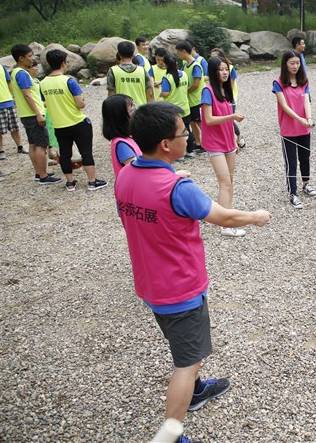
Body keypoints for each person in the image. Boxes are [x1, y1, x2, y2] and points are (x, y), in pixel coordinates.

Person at [114, 101, 270, 443]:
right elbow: (224, 217)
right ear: (165, 144)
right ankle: (172, 433)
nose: (189, 137)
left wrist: (172, 178)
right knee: (188, 362)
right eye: (183, 133)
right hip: (180, 290)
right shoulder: (177, 189)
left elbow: (146, 203)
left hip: (151, 285)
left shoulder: (126, 174)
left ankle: (197, 390)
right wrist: (256, 217)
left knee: (183, 346)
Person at [41, 49, 107, 191]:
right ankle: (92, 181)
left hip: (59, 125)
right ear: (63, 63)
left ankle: (70, 183)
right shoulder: (69, 81)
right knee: (86, 152)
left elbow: (45, 103)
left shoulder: (43, 83)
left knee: (65, 154)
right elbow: (80, 104)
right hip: (77, 122)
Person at [201, 57, 246, 237]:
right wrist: (232, 117)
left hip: (228, 142)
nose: (225, 72)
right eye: (220, 69)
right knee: (225, 183)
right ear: (213, 72)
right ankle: (225, 225)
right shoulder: (208, 91)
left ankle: (226, 217)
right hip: (215, 144)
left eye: (226, 69)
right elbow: (209, 119)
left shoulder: (225, 90)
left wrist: (234, 140)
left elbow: (226, 122)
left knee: (229, 182)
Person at [9, 45, 61, 184]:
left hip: (26, 114)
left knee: (33, 144)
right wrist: (38, 114)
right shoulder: (22, 74)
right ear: (21, 58)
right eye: (30, 56)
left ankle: (39, 172)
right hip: (33, 114)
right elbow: (27, 95)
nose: (32, 59)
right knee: (41, 145)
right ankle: (44, 176)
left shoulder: (15, 72)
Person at [273, 50, 316, 209]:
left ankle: (306, 183)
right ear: (285, 64)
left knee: (305, 157)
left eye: (297, 63)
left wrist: (309, 118)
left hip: (304, 128)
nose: (295, 66)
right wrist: (300, 119)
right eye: (292, 63)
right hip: (289, 130)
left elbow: (306, 101)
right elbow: (284, 106)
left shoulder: (304, 81)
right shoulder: (278, 83)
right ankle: (293, 193)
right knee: (291, 162)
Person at [0, 46, 28, 159]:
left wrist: (13, 96)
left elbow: (8, 82)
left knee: (15, 126)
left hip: (8, 101)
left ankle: (20, 146)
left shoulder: (1, 67)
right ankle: (1, 151)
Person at [159, 54, 192, 164]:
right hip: (185, 107)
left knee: (175, 133)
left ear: (165, 64)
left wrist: (160, 94)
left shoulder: (167, 78)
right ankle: (189, 151)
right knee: (187, 129)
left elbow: (165, 93)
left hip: (172, 110)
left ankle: (180, 154)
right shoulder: (184, 74)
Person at [175, 41, 205, 156]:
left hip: (196, 100)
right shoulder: (185, 64)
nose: (178, 55)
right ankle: (198, 142)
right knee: (192, 122)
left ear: (183, 51)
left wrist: (184, 91)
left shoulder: (195, 65)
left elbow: (196, 84)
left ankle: (207, 143)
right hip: (189, 101)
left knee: (200, 123)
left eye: (178, 52)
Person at [102, 94, 141, 177]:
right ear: (121, 116)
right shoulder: (122, 145)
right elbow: (137, 171)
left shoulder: (127, 138)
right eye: (131, 106)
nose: (135, 108)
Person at [107, 41, 153, 106]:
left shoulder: (113, 71)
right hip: (140, 109)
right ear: (133, 54)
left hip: (122, 109)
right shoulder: (142, 71)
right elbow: (150, 93)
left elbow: (111, 95)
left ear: (119, 54)